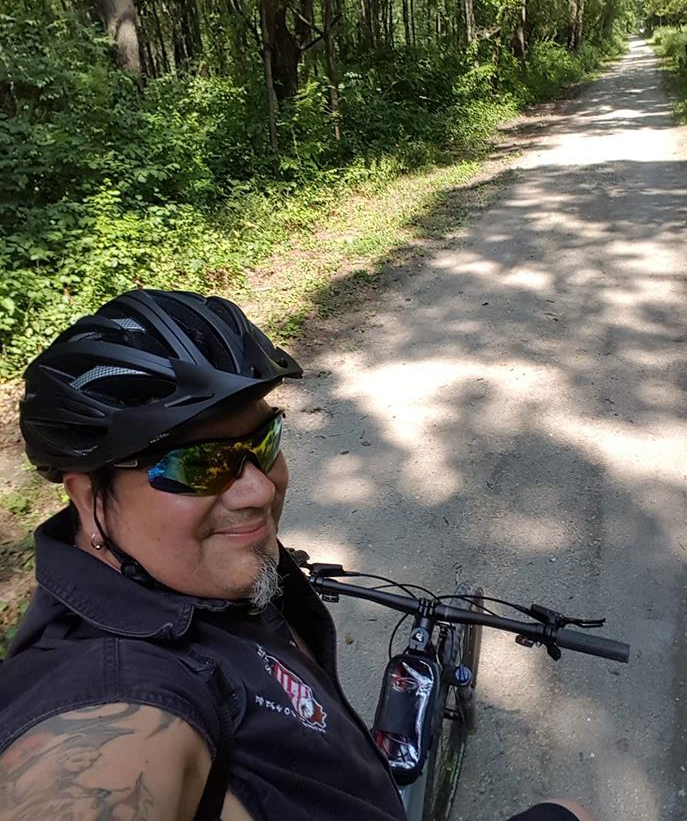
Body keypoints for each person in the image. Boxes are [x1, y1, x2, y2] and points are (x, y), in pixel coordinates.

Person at [0, 289, 595, 821]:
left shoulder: (190, 574)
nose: (259, 488)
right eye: (195, 464)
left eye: (264, 440)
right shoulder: (112, 684)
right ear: (87, 498)